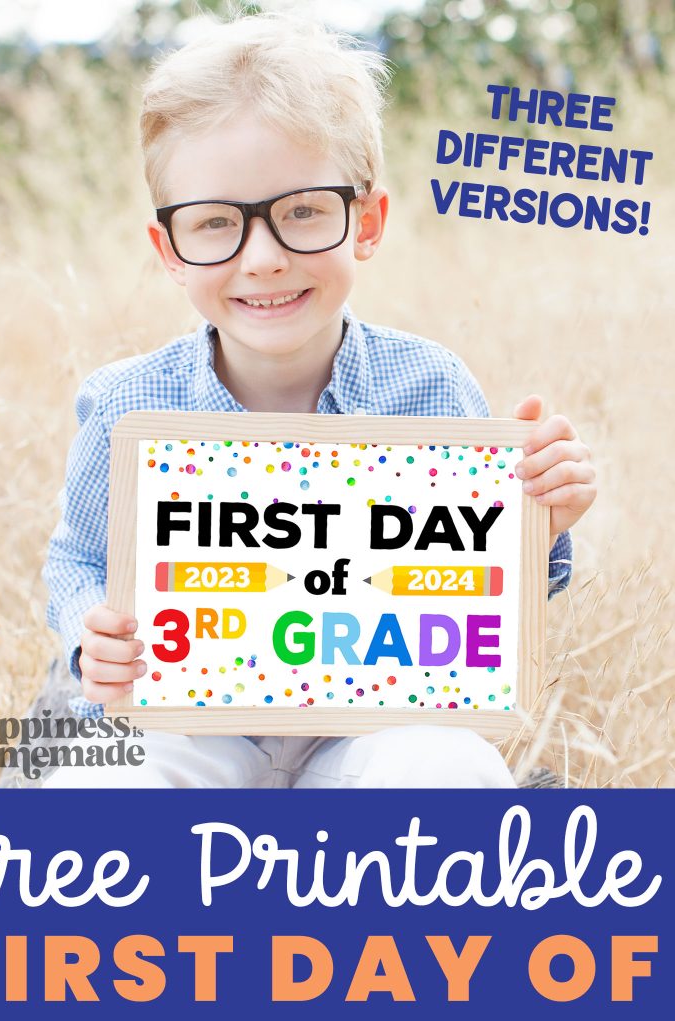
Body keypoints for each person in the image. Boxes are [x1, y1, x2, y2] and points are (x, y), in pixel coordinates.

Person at [42, 14, 596, 789]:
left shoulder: (429, 389)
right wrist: (86, 633)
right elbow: (76, 558)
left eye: (303, 210)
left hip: (369, 731)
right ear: (169, 248)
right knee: (96, 790)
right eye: (214, 224)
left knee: (451, 770)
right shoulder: (130, 403)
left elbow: (483, 589)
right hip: (190, 727)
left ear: (365, 222)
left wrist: (541, 519)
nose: (263, 258)